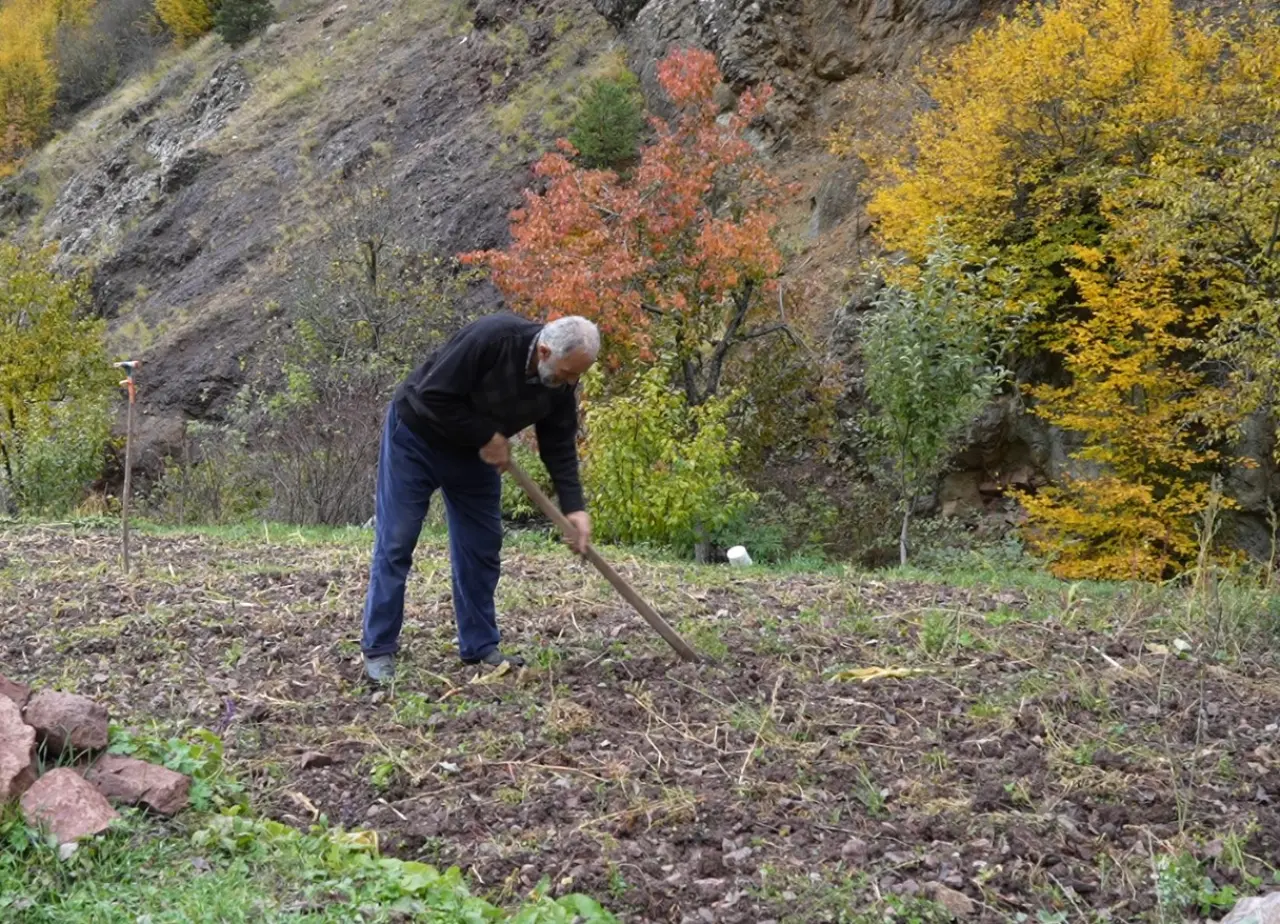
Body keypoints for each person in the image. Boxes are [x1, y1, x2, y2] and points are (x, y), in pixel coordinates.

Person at [359, 312, 599, 683]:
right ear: (545, 351)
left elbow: (559, 446)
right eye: (568, 373)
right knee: (396, 542)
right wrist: (487, 435)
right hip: (417, 439)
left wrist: (574, 508)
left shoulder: (560, 384)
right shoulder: (492, 338)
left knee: (481, 547)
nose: (570, 382)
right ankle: (378, 648)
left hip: (475, 456)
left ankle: (480, 645)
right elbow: (433, 395)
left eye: (576, 376)